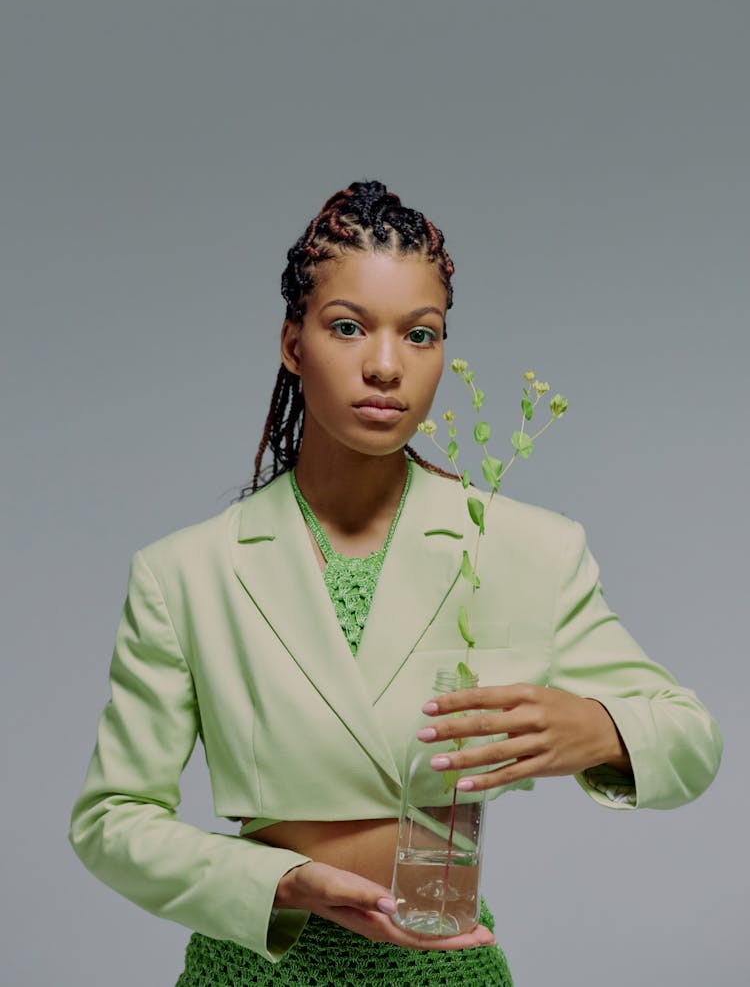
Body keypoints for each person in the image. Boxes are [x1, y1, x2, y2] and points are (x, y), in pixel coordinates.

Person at [69, 180, 722, 986]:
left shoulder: (524, 547)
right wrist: (279, 885)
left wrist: (594, 728)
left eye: (420, 334)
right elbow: (111, 820)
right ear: (293, 342)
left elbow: (691, 741)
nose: (386, 365)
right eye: (348, 327)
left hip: (446, 967)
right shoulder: (187, 572)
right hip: (254, 966)